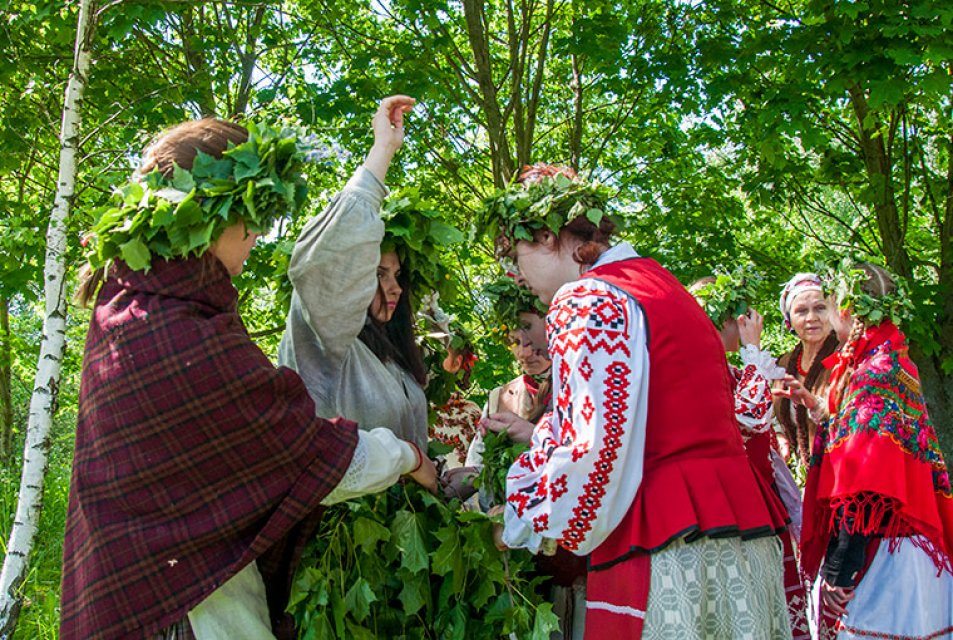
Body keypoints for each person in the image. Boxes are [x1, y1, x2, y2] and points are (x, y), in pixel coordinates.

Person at [62, 117, 436, 640]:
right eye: (253, 214)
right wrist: (407, 457)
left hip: (187, 587)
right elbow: (299, 450)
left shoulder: (143, 304)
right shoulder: (173, 328)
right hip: (179, 608)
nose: (259, 233)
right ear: (211, 214)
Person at [484, 164, 791, 638]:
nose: (517, 277)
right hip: (739, 540)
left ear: (547, 236)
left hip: (671, 549)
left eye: (515, 255)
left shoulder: (588, 298)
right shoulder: (663, 285)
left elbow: (591, 452)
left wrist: (521, 518)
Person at [778, 262, 953, 640]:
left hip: (885, 555)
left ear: (845, 309)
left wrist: (841, 571)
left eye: (827, 304)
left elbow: (866, 482)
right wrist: (820, 409)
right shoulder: (887, 356)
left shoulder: (875, 371)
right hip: (901, 544)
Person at [278, 95, 429, 451]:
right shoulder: (327, 343)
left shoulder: (395, 358)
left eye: (397, 276)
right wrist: (383, 151)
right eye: (378, 274)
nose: (394, 289)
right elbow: (328, 259)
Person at [690, 275, 811, 640]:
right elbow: (749, 419)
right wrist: (753, 349)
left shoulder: (735, 372)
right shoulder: (698, 372)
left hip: (757, 502)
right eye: (736, 314)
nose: (745, 320)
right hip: (728, 511)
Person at [774, 273, 840, 468]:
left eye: (820, 308)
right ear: (790, 320)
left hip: (839, 471)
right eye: (801, 311)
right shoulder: (784, 364)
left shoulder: (845, 357)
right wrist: (780, 436)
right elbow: (773, 412)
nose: (812, 318)